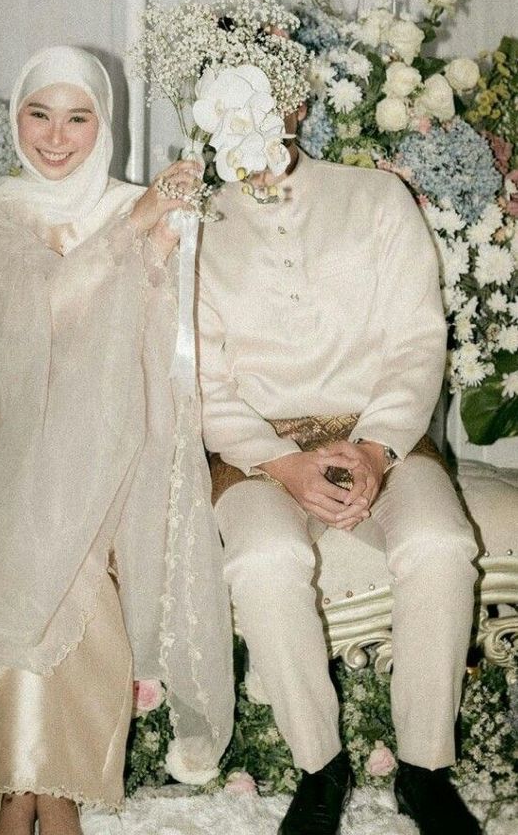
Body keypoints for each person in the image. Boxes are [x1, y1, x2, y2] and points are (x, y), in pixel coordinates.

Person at [0, 46, 232, 835]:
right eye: (39, 113)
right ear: (15, 118)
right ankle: (45, 788)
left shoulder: (133, 204)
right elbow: (39, 314)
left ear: (105, 123)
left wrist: (162, 253)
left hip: (110, 435)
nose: (56, 137)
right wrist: (132, 232)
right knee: (39, 533)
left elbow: (159, 349)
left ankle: (36, 792)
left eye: (78, 117)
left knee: (62, 534)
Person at [197, 110, 480, 835]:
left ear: (295, 104)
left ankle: (422, 768)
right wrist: (283, 464)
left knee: (440, 543)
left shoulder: (374, 198)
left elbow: (417, 340)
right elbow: (198, 376)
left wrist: (376, 449)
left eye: (265, 92)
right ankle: (321, 766)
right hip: (255, 453)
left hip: (379, 434)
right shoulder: (199, 220)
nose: (248, 115)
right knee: (263, 557)